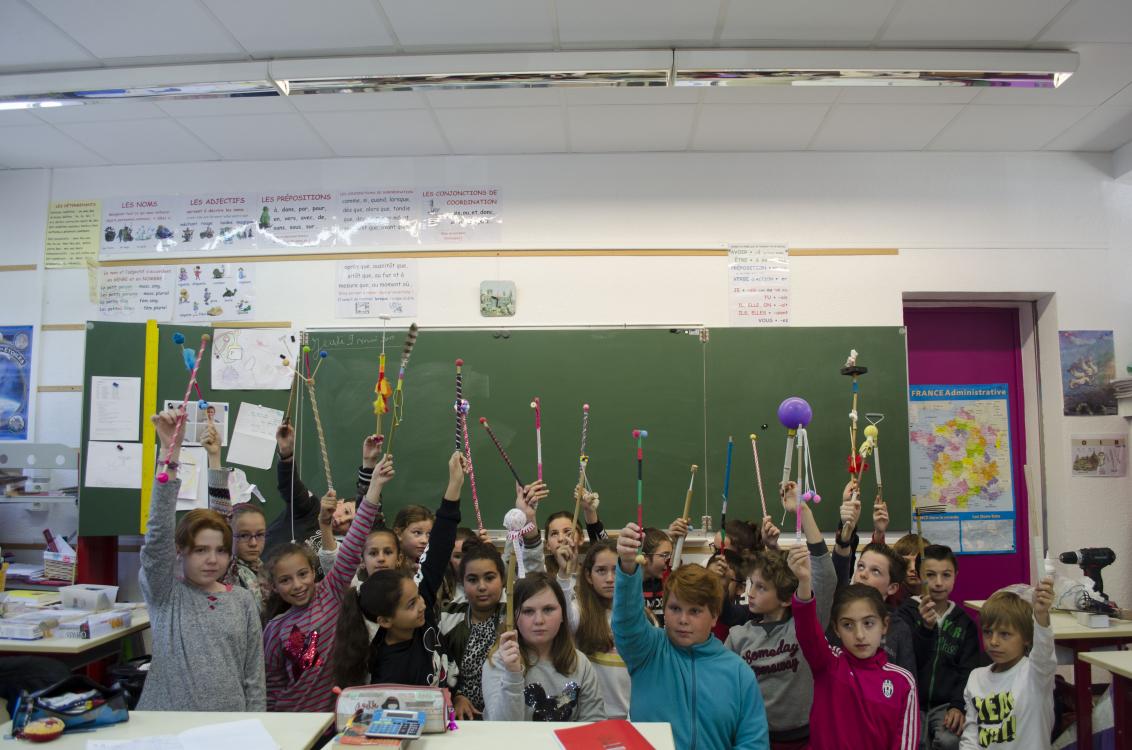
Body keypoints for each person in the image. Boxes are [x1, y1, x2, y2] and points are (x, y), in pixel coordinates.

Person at [137, 408, 265, 711]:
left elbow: (254, 677)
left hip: (228, 728)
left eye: (221, 550)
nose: (212, 560)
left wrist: (257, 725)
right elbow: (157, 537)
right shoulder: (166, 594)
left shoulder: (242, 601)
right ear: (180, 551)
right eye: (200, 550)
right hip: (168, 724)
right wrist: (171, 453)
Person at [614, 522, 769, 750]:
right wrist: (628, 567)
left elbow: (753, 743)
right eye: (675, 608)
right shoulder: (647, 651)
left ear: (714, 616)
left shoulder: (738, 673)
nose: (683, 619)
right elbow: (626, 620)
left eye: (695, 611)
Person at [261, 451, 393, 712]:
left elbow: (356, 537)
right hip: (294, 721)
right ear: (274, 586)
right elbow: (272, 685)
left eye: (303, 574)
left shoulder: (331, 592)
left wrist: (375, 485)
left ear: (314, 570)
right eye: (286, 580)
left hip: (339, 717)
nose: (298, 585)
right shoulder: (275, 629)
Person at [331, 452, 466, 691]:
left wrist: (454, 484)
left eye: (418, 599)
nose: (423, 604)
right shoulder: (387, 671)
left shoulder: (411, 590)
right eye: (412, 604)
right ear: (384, 621)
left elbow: (440, 546)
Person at [726, 482, 837, 749]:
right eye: (752, 585)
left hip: (804, 738)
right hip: (755, 738)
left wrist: (803, 512)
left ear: (787, 598)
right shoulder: (738, 636)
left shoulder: (804, 629)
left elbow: (826, 576)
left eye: (761, 588)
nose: (751, 593)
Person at [791, 546, 919, 749]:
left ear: (884, 625)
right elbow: (807, 630)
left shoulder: (903, 682)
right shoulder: (828, 663)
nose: (859, 635)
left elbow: (905, 743)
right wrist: (805, 582)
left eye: (868, 623)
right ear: (837, 629)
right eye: (848, 625)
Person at [481, 572, 606, 722]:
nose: (539, 620)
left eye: (548, 609)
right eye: (528, 611)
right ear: (514, 617)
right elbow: (501, 731)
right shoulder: (499, 662)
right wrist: (512, 675)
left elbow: (593, 724)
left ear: (562, 614)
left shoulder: (580, 663)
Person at [897, 545, 981, 750]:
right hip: (910, 702)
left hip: (946, 705)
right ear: (918, 576)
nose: (938, 583)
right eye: (930, 575)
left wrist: (957, 706)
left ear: (955, 576)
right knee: (914, 741)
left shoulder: (965, 623)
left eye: (946, 575)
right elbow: (904, 661)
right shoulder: (905, 614)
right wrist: (925, 630)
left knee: (949, 740)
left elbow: (967, 671)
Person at [960, 579, 1055, 749]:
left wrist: (1041, 616)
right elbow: (971, 734)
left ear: (1027, 638)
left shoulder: (1035, 674)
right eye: (988, 632)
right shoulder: (976, 677)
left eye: (1005, 634)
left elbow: (1044, 652)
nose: (994, 641)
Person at [265, 424, 382, 564]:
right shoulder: (311, 508)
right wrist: (286, 454)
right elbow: (290, 487)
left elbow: (367, 517)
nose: (342, 520)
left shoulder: (343, 552)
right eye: (346, 511)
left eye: (350, 524)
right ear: (339, 502)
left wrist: (369, 465)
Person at [558, 538, 632, 718]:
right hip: (590, 717)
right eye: (601, 571)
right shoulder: (580, 611)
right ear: (589, 576)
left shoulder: (638, 616)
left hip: (629, 718)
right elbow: (562, 616)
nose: (610, 579)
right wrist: (564, 574)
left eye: (616, 570)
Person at [440, 540, 506, 720]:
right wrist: (456, 695)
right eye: (472, 579)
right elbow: (440, 667)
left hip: (507, 713)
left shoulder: (513, 617)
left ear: (503, 579)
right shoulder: (448, 618)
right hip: (463, 717)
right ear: (462, 582)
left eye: (490, 577)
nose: (482, 586)